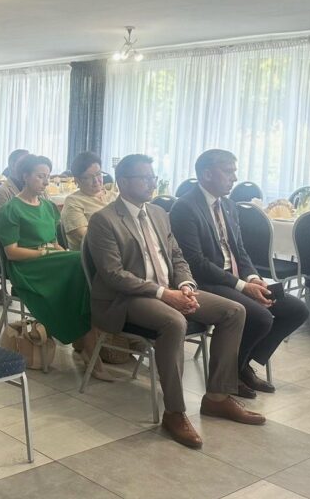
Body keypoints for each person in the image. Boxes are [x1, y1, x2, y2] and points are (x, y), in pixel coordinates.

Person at [86, 154, 262, 448]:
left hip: (170, 289)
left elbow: (178, 257)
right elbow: (114, 275)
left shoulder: (158, 213)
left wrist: (186, 286)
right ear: (123, 182)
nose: (151, 183)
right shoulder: (104, 220)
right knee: (174, 322)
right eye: (145, 178)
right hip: (127, 297)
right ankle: (175, 412)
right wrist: (164, 294)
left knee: (234, 311)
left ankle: (217, 397)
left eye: (153, 177)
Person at [170, 149, 310, 397]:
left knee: (296, 310)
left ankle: (241, 364)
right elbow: (196, 262)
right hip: (206, 283)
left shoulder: (228, 206)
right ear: (207, 174)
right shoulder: (185, 207)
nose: (234, 178)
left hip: (235, 279)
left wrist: (253, 278)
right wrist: (243, 286)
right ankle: (232, 373)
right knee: (261, 317)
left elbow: (240, 251)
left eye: (234, 172)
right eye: (228, 172)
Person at [0, 154, 123, 382]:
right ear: (25, 176)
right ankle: (89, 348)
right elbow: (11, 252)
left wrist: (59, 252)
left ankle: (88, 340)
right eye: (40, 176)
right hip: (28, 267)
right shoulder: (11, 210)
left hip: (49, 261)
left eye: (47, 176)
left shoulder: (48, 207)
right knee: (81, 264)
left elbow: (54, 243)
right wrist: (46, 253)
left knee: (81, 264)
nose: (45, 182)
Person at [60, 151, 119, 251]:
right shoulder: (73, 202)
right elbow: (84, 236)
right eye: (88, 177)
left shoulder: (115, 196)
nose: (96, 180)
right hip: (93, 254)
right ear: (77, 180)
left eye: (98, 174)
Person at [0, 148, 31, 215]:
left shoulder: (37, 188)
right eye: (26, 164)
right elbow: (5, 220)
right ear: (13, 165)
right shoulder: (2, 192)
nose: (30, 168)